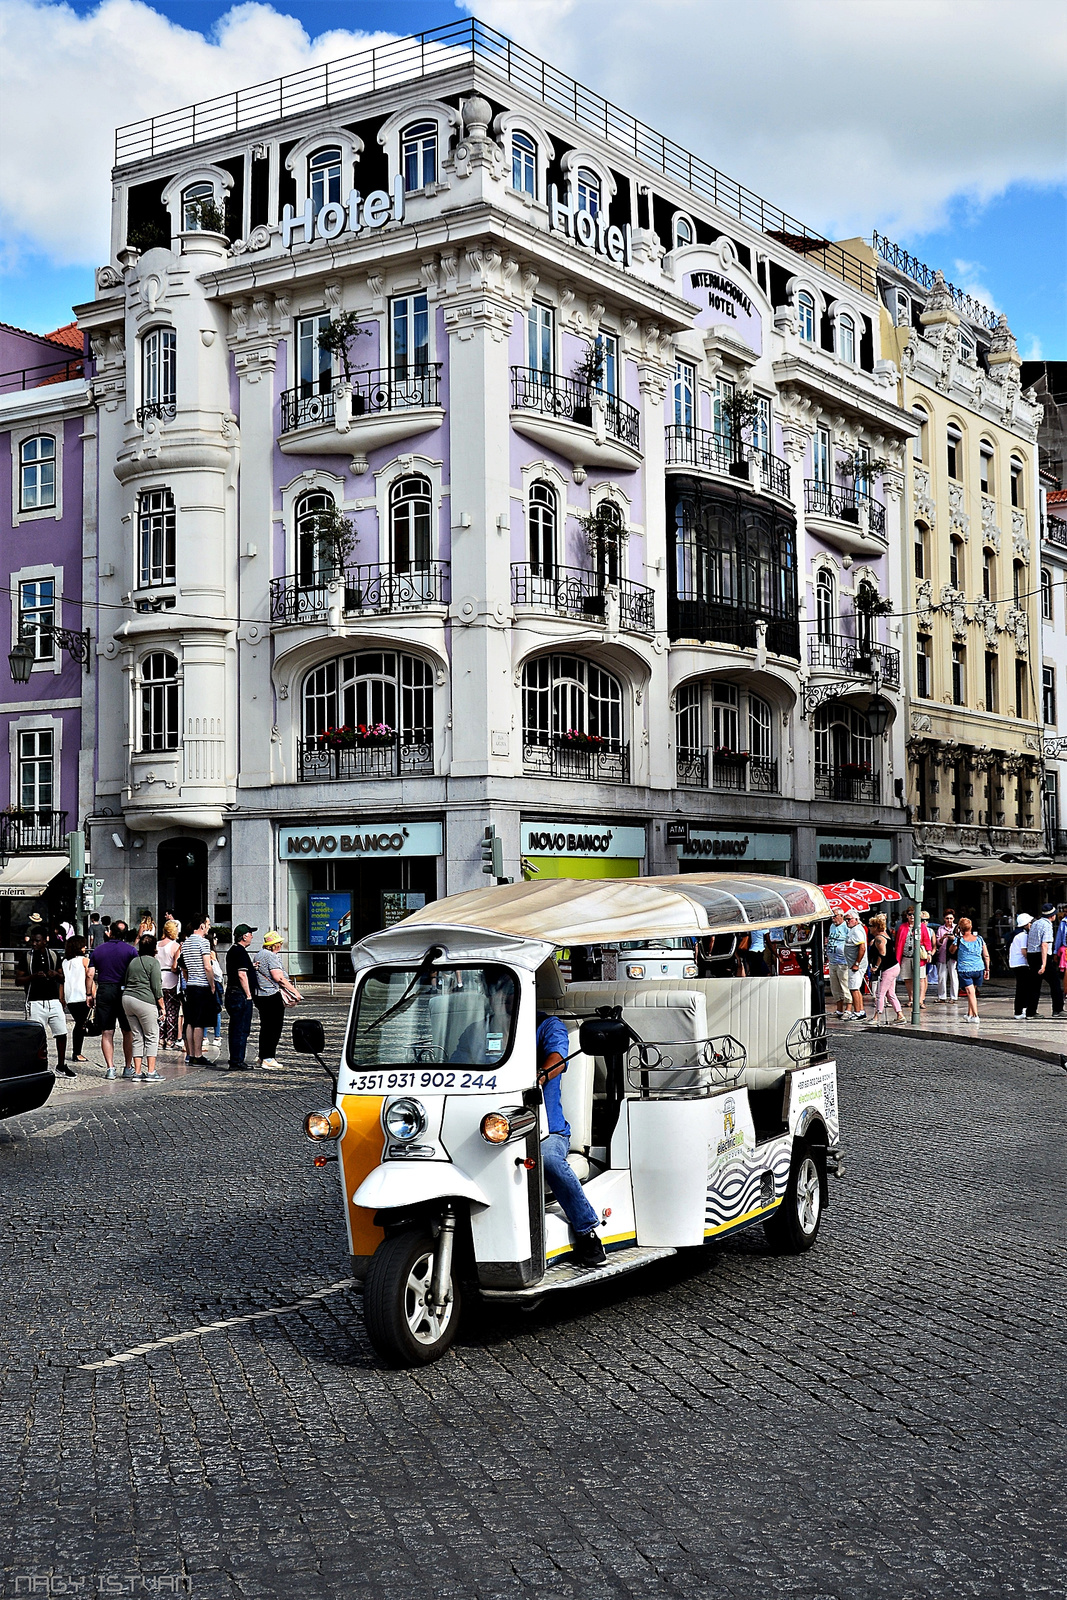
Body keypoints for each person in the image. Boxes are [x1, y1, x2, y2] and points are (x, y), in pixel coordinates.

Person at [535, 1008, 607, 1268]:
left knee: (549, 1160)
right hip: (497, 1131)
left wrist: (539, 1076)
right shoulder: (482, 1025)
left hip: (547, 1131)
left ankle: (586, 1230)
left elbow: (558, 1059)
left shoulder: (548, 1025)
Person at [16, 930, 75, 1076]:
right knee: (35, 1036)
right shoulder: (27, 957)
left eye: (37, 941)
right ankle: (34, 1066)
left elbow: (62, 978)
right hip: (35, 1001)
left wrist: (55, 974)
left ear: (45, 941)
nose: (34, 943)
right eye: (33, 941)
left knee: (61, 1033)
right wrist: (33, 977)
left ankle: (61, 1066)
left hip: (53, 1000)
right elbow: (18, 980)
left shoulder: (54, 955)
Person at [88, 921, 137, 1079]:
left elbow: (90, 974)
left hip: (105, 990)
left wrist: (89, 994)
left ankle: (110, 1068)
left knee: (107, 1032)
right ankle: (128, 1067)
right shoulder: (130, 951)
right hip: (125, 990)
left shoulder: (98, 950)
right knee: (127, 1031)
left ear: (110, 932)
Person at [252, 932, 302, 1067]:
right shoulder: (271, 956)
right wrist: (295, 992)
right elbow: (278, 977)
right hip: (271, 995)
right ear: (274, 945)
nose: (280, 946)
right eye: (279, 944)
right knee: (274, 1027)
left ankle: (262, 1056)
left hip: (260, 995)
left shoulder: (259, 954)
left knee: (265, 1026)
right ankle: (269, 1058)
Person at [123, 934, 165, 1081]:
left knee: (137, 1036)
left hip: (127, 999)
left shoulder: (133, 961)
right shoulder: (153, 963)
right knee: (152, 1035)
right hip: (145, 1000)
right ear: (154, 948)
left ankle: (137, 1072)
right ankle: (151, 1071)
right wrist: (162, 1007)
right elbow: (156, 987)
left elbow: (126, 979)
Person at [180, 914, 216, 1065]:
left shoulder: (186, 943)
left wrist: (189, 979)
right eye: (207, 924)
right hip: (202, 985)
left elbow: (182, 966)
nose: (208, 927)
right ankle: (198, 1054)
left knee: (190, 1021)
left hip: (191, 985)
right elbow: (207, 966)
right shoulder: (203, 943)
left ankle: (191, 1054)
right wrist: (212, 984)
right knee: (200, 1022)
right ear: (201, 925)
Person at [225, 924, 258, 1071]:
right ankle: (237, 1061)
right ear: (244, 936)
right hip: (240, 994)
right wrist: (249, 995)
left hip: (233, 993)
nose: (252, 936)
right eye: (250, 933)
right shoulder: (240, 952)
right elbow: (241, 974)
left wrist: (252, 967)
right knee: (241, 1029)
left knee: (236, 1027)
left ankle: (236, 1059)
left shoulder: (234, 951)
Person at [1025, 902, 1062, 1018]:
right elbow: (1044, 945)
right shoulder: (1047, 925)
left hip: (1031, 955)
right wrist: (1044, 963)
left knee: (1035, 985)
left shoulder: (1035, 923)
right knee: (1055, 983)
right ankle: (1058, 1009)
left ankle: (1030, 1012)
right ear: (1052, 916)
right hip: (1042, 956)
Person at [62, 935, 92, 1062]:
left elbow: (62, 981)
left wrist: (61, 997)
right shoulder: (85, 960)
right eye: (83, 945)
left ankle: (77, 1052)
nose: (85, 948)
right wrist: (92, 994)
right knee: (80, 1024)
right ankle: (77, 1053)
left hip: (70, 997)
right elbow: (89, 977)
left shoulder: (64, 962)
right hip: (82, 995)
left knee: (79, 1023)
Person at [868, 914, 902, 1024]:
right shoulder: (884, 936)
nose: (869, 928)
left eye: (871, 926)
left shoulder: (879, 938)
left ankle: (876, 1016)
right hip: (894, 967)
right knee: (890, 993)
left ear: (876, 927)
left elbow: (882, 953)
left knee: (880, 993)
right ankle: (900, 1015)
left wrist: (876, 967)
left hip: (888, 968)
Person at [955, 917, 990, 1020]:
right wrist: (987, 969)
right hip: (979, 968)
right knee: (972, 992)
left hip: (965, 969)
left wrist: (956, 935)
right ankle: (969, 1014)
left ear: (960, 928)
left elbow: (951, 951)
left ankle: (975, 1015)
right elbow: (986, 955)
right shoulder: (979, 939)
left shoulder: (959, 940)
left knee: (970, 992)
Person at [157, 920, 182, 1049]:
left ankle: (160, 1038)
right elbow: (174, 966)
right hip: (171, 978)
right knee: (172, 1010)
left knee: (161, 1010)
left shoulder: (156, 945)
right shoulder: (175, 946)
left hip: (158, 978)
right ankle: (170, 1040)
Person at [842, 910, 868, 1020]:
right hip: (853, 964)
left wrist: (856, 963)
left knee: (854, 988)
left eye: (849, 919)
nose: (847, 921)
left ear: (856, 920)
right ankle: (860, 1010)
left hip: (856, 965)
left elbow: (862, 947)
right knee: (854, 988)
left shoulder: (857, 931)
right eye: (845, 919)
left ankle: (858, 1012)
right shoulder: (854, 929)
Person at [826, 909, 849, 1018]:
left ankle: (848, 1009)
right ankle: (839, 1009)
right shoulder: (832, 926)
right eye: (832, 916)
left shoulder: (846, 926)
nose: (833, 918)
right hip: (833, 960)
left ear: (841, 916)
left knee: (845, 985)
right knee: (835, 987)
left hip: (843, 961)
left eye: (835, 916)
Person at [1009, 913, 1032, 1019]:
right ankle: (1019, 1011)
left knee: (1023, 987)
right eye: (1029, 923)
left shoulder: (1018, 934)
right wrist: (1031, 961)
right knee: (1022, 987)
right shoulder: (1023, 935)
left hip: (1016, 963)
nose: (1031, 924)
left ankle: (1022, 1009)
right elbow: (1024, 951)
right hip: (1021, 964)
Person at [934, 911, 959, 1002]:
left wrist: (953, 938)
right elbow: (937, 942)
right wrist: (943, 937)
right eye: (947, 918)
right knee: (941, 976)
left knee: (953, 976)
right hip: (942, 954)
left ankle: (954, 997)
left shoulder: (957, 928)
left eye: (951, 918)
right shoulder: (941, 929)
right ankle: (942, 996)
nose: (949, 920)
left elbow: (960, 940)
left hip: (952, 955)